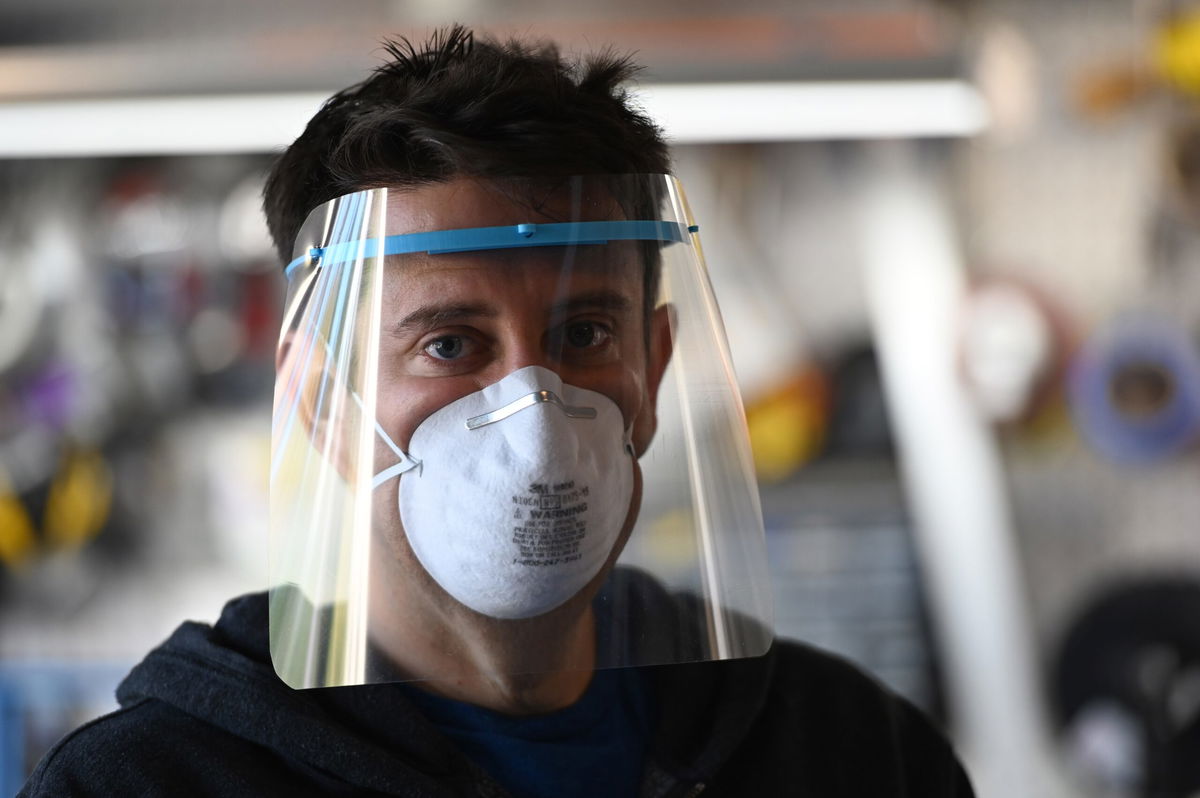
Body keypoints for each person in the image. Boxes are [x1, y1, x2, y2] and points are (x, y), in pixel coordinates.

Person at [21, 26, 974, 797]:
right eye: (450, 344)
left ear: (656, 363)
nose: (534, 408)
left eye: (587, 334)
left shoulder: (845, 751)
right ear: (323, 402)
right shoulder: (156, 786)